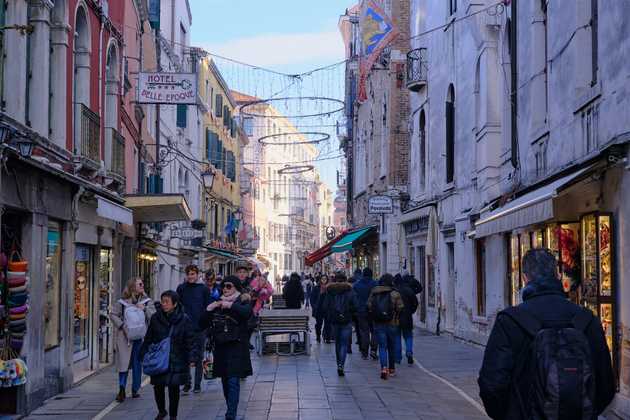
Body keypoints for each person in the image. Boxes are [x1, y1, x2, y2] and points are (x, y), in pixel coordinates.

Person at [478, 249, 615, 420]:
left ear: (525, 278)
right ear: (557, 275)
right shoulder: (586, 320)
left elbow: (491, 385)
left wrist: (512, 414)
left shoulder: (510, 321)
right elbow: (606, 384)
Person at [199, 276, 253, 420]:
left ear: (235, 287)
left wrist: (231, 306)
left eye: (229, 286)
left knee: (233, 380)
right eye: (223, 286)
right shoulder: (217, 303)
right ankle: (230, 407)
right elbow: (202, 323)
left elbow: (247, 313)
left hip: (237, 346)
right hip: (221, 347)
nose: (225, 289)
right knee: (224, 381)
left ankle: (231, 414)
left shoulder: (242, 300)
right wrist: (209, 309)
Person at [140, 290, 197, 420]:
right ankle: (161, 411)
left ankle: (173, 415)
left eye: (167, 302)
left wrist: (192, 357)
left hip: (177, 358)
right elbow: (149, 337)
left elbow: (190, 339)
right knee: (158, 387)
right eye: (163, 301)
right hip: (159, 358)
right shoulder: (156, 318)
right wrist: (143, 354)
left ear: (175, 304)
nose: (164, 304)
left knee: (173, 388)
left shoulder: (183, 319)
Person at [110, 277, 155, 402]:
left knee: (137, 364)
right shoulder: (122, 302)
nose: (142, 285)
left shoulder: (147, 301)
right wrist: (122, 326)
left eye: (142, 283)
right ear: (132, 287)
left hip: (140, 338)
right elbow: (113, 314)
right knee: (123, 364)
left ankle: (135, 388)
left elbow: (154, 316)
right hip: (125, 338)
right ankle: (122, 388)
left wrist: (144, 309)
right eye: (139, 284)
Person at [176, 265, 211, 394]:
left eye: (193, 274)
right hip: (185, 328)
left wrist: (207, 325)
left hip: (200, 327)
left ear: (197, 275)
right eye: (189, 274)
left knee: (199, 356)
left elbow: (208, 307)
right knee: (185, 356)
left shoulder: (204, 289)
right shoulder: (181, 289)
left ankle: (197, 384)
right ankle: (187, 383)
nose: (191, 276)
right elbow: (178, 306)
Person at [368, 274, 404, 380]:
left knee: (382, 347)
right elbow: (401, 307)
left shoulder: (374, 292)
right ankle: (392, 369)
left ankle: (384, 368)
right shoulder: (395, 293)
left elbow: (369, 305)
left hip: (379, 323)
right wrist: (396, 315)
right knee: (391, 346)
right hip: (392, 323)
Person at [323, 272, 358, 376]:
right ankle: (341, 365)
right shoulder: (350, 290)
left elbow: (325, 306)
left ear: (335, 280)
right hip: (347, 320)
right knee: (344, 344)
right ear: (345, 279)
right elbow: (355, 306)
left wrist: (330, 315)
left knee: (338, 343)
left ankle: (339, 363)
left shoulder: (330, 290)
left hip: (335, 320)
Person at [352, 268, 378, 360]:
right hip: (374, 311)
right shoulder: (376, 284)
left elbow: (354, 299)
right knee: (375, 331)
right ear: (371, 274)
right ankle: (374, 350)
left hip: (361, 311)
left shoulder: (356, 285)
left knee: (364, 331)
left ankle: (364, 352)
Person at [395, 274, 419, 365]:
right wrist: (411, 311)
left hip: (396, 317)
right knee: (408, 336)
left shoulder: (394, 291)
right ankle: (409, 352)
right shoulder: (409, 290)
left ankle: (397, 358)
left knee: (397, 337)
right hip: (407, 317)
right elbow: (415, 303)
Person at [312, 275, 332, 343]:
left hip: (327, 309)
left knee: (328, 324)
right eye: (322, 279)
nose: (324, 280)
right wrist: (314, 306)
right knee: (318, 324)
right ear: (320, 280)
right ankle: (318, 336)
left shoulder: (329, 288)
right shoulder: (316, 288)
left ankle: (328, 337)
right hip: (319, 308)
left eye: (325, 279)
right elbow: (312, 298)